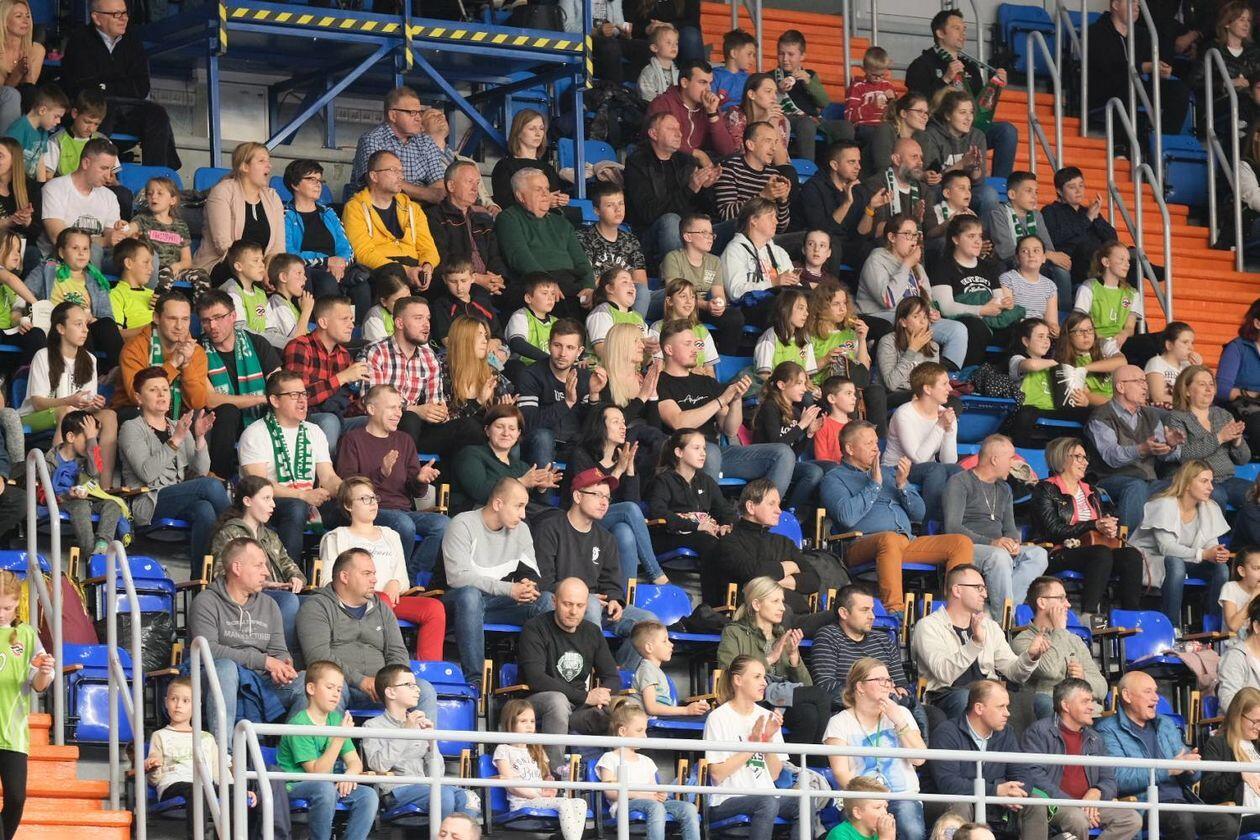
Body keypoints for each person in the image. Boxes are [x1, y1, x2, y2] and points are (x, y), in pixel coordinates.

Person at [822, 421, 972, 618]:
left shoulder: (889, 472)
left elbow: (919, 514)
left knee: (960, 543)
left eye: (876, 442)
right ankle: (895, 613)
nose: (876, 448)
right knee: (889, 539)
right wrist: (874, 485)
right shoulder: (834, 478)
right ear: (850, 449)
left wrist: (902, 485)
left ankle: (956, 612)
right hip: (859, 545)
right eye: (868, 443)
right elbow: (846, 518)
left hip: (904, 541)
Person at [656, 320, 795, 492]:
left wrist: (736, 400)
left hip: (718, 453)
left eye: (695, 344)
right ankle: (704, 508)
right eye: (687, 344)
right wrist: (721, 400)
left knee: (783, 453)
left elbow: (729, 429)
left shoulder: (706, 382)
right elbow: (679, 422)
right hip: (682, 455)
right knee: (711, 452)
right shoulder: (660, 382)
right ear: (669, 350)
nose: (695, 349)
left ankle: (764, 507)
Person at [296, 547, 437, 715]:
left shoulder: (382, 608)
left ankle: (422, 734)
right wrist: (360, 681)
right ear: (344, 577)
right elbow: (318, 657)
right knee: (327, 691)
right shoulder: (317, 606)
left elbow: (397, 652)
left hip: (382, 687)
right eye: (367, 574)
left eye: (374, 574)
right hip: (341, 685)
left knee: (425, 690)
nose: (374, 579)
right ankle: (331, 734)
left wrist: (390, 682)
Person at [1097, 670, 1236, 840]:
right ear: (1127, 696)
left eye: (1155, 691)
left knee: (1226, 824)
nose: (1156, 698)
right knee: (1182, 820)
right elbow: (1119, 778)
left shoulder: (1165, 724)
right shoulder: (1108, 730)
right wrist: (1168, 769)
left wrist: (1191, 767)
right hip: (1144, 805)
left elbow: (1192, 776)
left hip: (1182, 802)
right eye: (1148, 692)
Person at [318, 477, 445, 661]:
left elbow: (402, 578)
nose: (373, 503)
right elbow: (327, 582)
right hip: (356, 603)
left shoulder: (391, 535)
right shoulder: (336, 537)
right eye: (364, 499)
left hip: (391, 600)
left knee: (433, 608)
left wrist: (396, 583)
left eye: (374, 498)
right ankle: (389, 663)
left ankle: (429, 670)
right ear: (348, 505)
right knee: (382, 600)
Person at [437, 477, 544, 691]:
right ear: (497, 504)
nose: (523, 514)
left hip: (496, 604)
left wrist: (529, 586)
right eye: (518, 506)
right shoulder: (463, 523)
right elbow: (458, 578)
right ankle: (475, 683)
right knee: (470, 595)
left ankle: (536, 680)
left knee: (546, 602)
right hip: (457, 604)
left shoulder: (521, 529)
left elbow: (531, 571)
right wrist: (509, 588)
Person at [533, 469, 656, 650]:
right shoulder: (549, 528)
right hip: (563, 605)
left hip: (599, 608)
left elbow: (610, 582)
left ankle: (621, 667)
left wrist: (615, 599)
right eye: (597, 495)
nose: (604, 502)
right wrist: (582, 598)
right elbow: (543, 581)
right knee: (590, 604)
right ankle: (592, 665)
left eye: (607, 497)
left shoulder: (606, 538)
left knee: (649, 623)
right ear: (577, 496)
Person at [188, 536, 305, 729]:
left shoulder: (269, 605)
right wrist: (265, 662)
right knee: (226, 669)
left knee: (310, 683)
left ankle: (292, 747)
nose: (266, 572)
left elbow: (279, 650)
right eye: (259, 565)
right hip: (217, 680)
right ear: (237, 568)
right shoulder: (206, 602)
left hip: (262, 683)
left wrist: (283, 667)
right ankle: (224, 747)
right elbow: (208, 651)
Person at [335, 384, 447, 581]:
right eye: (392, 408)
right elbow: (349, 487)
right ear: (371, 409)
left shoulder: (404, 440)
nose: (399, 413)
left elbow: (417, 492)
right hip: (370, 511)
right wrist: (381, 473)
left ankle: (408, 578)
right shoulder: (353, 440)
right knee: (404, 524)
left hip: (403, 511)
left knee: (444, 524)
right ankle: (395, 578)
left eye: (400, 408)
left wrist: (420, 480)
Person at [118, 366, 228, 562]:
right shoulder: (131, 428)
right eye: (153, 390)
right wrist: (176, 439)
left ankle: (200, 575)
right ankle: (240, 537)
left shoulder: (177, 425)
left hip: (179, 498)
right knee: (210, 485)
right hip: (149, 501)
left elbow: (201, 470)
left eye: (165, 389)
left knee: (204, 510)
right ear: (139, 398)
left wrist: (200, 438)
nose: (161, 394)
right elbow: (147, 473)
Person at [911, 565, 1048, 720]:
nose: (985, 594)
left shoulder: (990, 627)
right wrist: (975, 643)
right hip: (946, 695)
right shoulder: (928, 626)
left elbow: (1013, 672)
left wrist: (1030, 657)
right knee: (966, 698)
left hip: (988, 694)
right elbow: (944, 673)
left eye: (984, 588)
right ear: (957, 590)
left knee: (1037, 702)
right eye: (979, 588)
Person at [238, 369, 342, 563]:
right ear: (275, 401)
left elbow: (328, 477)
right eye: (294, 395)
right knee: (296, 507)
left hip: (308, 501)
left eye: (304, 394)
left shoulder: (314, 431)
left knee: (352, 508)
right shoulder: (255, 433)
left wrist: (348, 491)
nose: (302, 401)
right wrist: (303, 495)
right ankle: (290, 576)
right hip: (269, 505)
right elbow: (259, 486)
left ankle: (338, 577)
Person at [58, 0, 179, 166]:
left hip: (128, 110)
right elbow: (83, 88)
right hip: (95, 112)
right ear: (96, 18)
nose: (124, 18)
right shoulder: (79, 41)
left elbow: (141, 87)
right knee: (105, 106)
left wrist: (105, 85)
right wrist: (117, 85)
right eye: (116, 14)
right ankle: (93, 168)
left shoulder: (133, 41)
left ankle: (156, 175)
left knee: (157, 114)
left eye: (125, 13)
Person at [1029, 437, 1143, 612]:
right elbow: (1052, 530)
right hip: (1058, 551)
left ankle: (1130, 615)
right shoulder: (1045, 489)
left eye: (1085, 457)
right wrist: (1093, 525)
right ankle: (1089, 613)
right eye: (1078, 457)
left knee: (1131, 555)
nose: (1085, 462)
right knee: (1101, 553)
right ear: (1061, 458)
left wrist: (1108, 527)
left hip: (1092, 549)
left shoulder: (1092, 491)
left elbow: (1097, 525)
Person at [1020, 677, 1143, 840]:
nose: (1091, 707)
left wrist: (1097, 792)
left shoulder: (1095, 738)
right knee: (1077, 819)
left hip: (1090, 806)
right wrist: (1076, 804)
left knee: (1131, 819)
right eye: (1085, 701)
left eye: (1091, 701)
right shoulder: (1039, 732)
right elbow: (1034, 776)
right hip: (1055, 804)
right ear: (1066, 706)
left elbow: (1109, 779)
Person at [518, 577, 621, 769]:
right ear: (554, 601)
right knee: (558, 701)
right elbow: (536, 678)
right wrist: (585, 697)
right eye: (567, 604)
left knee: (625, 708)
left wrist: (603, 695)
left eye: (580, 606)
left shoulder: (592, 632)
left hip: (578, 707)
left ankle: (614, 775)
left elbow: (612, 677)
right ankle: (553, 774)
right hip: (537, 701)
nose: (574, 611)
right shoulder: (535, 628)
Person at [716, 576, 832, 744]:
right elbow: (731, 672)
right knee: (820, 695)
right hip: (754, 698)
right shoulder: (734, 632)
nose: (782, 608)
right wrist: (769, 659)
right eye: (775, 601)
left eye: (782, 601)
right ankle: (820, 757)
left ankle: (795, 761)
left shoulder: (782, 634)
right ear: (757, 605)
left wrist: (794, 657)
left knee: (809, 714)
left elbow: (806, 685)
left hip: (779, 700)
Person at [943, 434, 1049, 617]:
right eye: (1011, 458)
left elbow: (1009, 528)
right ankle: (1004, 620)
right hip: (969, 547)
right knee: (999, 556)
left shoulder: (1004, 489)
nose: (1014, 463)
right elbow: (952, 527)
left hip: (997, 548)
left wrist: (1013, 543)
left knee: (1038, 554)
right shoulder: (959, 482)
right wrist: (992, 542)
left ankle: (1001, 614)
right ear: (994, 459)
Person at [904, 9, 1017, 179]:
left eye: (964, 29)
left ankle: (1000, 185)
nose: (963, 33)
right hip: (937, 129)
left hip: (968, 129)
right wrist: (945, 79)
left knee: (1006, 131)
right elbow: (915, 103)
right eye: (956, 28)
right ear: (940, 33)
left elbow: (979, 107)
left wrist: (995, 86)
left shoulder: (970, 67)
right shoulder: (921, 64)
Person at [276, 661, 380, 840]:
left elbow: (355, 763)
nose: (336, 694)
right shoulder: (299, 724)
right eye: (330, 687)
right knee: (324, 788)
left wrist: (348, 776)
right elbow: (316, 773)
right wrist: (339, 738)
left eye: (339, 689)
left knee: (368, 795)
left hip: (327, 785)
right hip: (294, 786)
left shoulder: (335, 719)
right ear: (311, 688)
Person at [823, 658, 925, 840]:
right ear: (860, 687)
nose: (887, 685)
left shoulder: (901, 714)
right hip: (862, 801)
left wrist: (899, 721)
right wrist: (871, 802)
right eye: (880, 680)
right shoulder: (839, 722)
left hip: (903, 796)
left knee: (911, 830)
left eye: (888, 680)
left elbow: (919, 759)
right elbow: (841, 773)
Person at [929, 680, 1047, 835]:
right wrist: (995, 790)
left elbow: (1023, 773)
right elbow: (949, 784)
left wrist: (1014, 793)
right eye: (1001, 707)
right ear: (979, 708)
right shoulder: (946, 733)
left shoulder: (1007, 733)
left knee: (1035, 802)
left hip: (993, 805)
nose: (1007, 713)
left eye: (1007, 706)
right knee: (961, 803)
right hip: (949, 804)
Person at [362, 664, 479, 820]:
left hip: (426, 786)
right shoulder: (372, 726)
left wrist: (432, 742)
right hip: (395, 791)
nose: (418, 689)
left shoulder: (419, 724)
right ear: (390, 692)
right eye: (409, 685)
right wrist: (406, 732)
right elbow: (378, 765)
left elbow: (437, 775)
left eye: (416, 685)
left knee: (470, 799)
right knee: (443, 796)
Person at [566, 404, 664, 585]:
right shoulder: (581, 455)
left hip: (606, 523)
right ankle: (657, 574)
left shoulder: (623, 459)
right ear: (600, 426)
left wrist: (630, 470)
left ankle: (625, 596)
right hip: (580, 519)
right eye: (616, 421)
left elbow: (633, 503)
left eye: (624, 422)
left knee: (624, 532)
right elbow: (591, 498)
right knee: (628, 510)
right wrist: (618, 471)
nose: (623, 427)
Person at [857, 214, 969, 371]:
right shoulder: (877, 259)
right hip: (881, 316)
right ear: (892, 237)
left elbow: (927, 301)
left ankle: (943, 377)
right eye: (908, 234)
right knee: (908, 321)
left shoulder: (918, 267)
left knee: (957, 330)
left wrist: (931, 312)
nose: (913, 240)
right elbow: (887, 300)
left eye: (915, 235)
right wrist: (907, 264)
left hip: (914, 318)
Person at [707, 480, 832, 618]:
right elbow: (752, 572)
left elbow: (813, 580)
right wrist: (790, 567)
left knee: (836, 617)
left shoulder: (784, 542)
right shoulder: (729, 541)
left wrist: (771, 582)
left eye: (778, 504)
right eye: (771, 504)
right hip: (756, 618)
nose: (779, 511)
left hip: (799, 616)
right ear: (751, 507)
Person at [21, 301, 115, 482]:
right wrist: (68, 401)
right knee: (65, 412)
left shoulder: (90, 359)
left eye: (86, 324)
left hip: (72, 414)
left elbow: (84, 406)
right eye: (78, 324)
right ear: (61, 328)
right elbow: (37, 403)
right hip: (33, 418)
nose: (85, 330)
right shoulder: (43, 355)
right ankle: (53, 482)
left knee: (109, 416)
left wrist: (94, 404)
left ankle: (105, 485)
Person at [703, 655, 795, 840]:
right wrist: (753, 745)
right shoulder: (718, 718)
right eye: (757, 677)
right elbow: (717, 775)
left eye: (764, 677)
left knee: (805, 801)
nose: (764, 682)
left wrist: (767, 740)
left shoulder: (767, 716)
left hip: (766, 796)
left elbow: (774, 775)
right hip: (726, 800)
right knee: (767, 802)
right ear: (738, 680)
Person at [1128, 459, 1231, 623]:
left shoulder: (1209, 507)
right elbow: (1166, 548)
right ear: (1188, 484)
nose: (1211, 487)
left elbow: (1210, 543)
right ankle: (1172, 625)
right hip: (1151, 560)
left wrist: (1216, 553)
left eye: (1211, 482)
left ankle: (1215, 624)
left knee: (1221, 568)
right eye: (1204, 481)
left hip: (1188, 559)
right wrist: (1204, 554)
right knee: (1176, 564)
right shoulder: (1164, 505)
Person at [208, 476, 304, 648]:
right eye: (266, 498)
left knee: (312, 603)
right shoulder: (229, 534)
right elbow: (221, 574)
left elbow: (288, 563)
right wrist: (265, 584)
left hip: (277, 593)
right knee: (289, 601)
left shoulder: (270, 536)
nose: (273, 505)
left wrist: (296, 577)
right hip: (249, 596)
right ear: (247, 501)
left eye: (272, 499)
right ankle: (281, 655)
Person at [1087, 365, 1185, 533]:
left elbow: (1166, 456)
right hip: (1110, 479)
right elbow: (1111, 456)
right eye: (1139, 381)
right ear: (1121, 387)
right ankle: (1128, 542)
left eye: (1145, 381)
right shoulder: (1101, 416)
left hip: (1148, 481)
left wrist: (1170, 445)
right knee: (1135, 486)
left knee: (1187, 485)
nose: (1145, 386)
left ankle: (1181, 545)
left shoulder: (1151, 415)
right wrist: (1141, 449)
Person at [196, 288, 282, 478]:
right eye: (206, 320)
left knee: (286, 404)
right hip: (218, 425)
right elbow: (211, 400)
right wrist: (260, 398)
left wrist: (272, 398)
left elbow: (279, 386)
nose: (212, 326)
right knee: (228, 411)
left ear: (233, 316)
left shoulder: (257, 343)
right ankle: (220, 479)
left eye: (218, 317)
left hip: (259, 418)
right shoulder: (197, 350)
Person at [494, 168, 595, 320]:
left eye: (547, 189)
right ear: (520, 196)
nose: (545, 194)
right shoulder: (509, 218)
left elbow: (581, 261)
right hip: (534, 283)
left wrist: (589, 287)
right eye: (538, 189)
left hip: (570, 283)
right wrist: (547, 282)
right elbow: (519, 257)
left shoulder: (561, 222)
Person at [1088, 0, 1190, 145]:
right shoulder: (1096, 32)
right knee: (1128, 89)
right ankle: (1122, 145)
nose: (1137, 7)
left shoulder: (1142, 34)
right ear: (1115, 5)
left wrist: (1160, 70)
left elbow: (1150, 64)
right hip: (1106, 90)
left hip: (1136, 88)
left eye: (1138, 3)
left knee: (1178, 91)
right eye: (1131, 3)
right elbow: (1108, 66)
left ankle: (1163, 142)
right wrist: (1144, 67)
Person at [596, 700, 702, 840]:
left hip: (653, 802)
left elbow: (654, 789)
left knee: (689, 808)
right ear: (622, 731)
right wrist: (644, 796)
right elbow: (611, 793)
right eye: (639, 731)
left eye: (645, 730)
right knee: (655, 807)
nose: (644, 736)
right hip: (625, 805)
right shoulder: (609, 758)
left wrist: (660, 794)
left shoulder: (647, 761)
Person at [342, 149, 440, 297]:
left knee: (449, 280)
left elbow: (428, 247)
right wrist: (404, 271)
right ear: (374, 176)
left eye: (401, 171)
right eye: (393, 170)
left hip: (415, 266)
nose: (401, 176)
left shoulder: (412, 208)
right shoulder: (355, 208)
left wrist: (427, 266)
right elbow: (363, 253)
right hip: (382, 267)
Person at [0, 569, 53, 840]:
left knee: (16, 798)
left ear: (16, 605)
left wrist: (44, 670)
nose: (1, 614)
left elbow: (39, 684)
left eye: (7, 608)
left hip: (12, 733)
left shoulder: (27, 634)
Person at [625, 113, 718, 267]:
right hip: (651, 236)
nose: (679, 134)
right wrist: (689, 189)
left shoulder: (685, 161)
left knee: (734, 225)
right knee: (671, 221)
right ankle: (679, 277)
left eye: (679, 129)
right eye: (671, 128)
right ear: (653, 134)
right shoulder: (638, 162)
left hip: (690, 232)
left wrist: (706, 188)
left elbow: (703, 210)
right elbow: (648, 213)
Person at [145, 677, 235, 835]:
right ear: (166, 702)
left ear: (196, 705)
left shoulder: (206, 738)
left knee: (234, 792)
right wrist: (152, 767)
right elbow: (155, 780)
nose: (178, 705)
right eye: (174, 699)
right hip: (173, 785)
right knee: (197, 789)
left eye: (186, 701)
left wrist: (236, 788)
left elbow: (219, 772)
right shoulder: (160, 735)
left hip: (204, 785)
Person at [1012, 577, 1109, 718]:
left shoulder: (1074, 640)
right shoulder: (1022, 641)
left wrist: (1083, 677)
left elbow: (1102, 689)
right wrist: (1059, 630)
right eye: (1061, 598)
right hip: (1050, 713)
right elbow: (1050, 671)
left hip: (1085, 714)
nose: (1068, 604)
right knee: (1046, 704)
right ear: (1042, 602)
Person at [283, 296, 371, 452]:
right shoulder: (300, 346)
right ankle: (325, 469)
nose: (351, 325)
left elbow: (344, 405)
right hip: (303, 419)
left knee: (373, 422)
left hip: (337, 417)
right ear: (323, 322)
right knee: (330, 421)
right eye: (344, 319)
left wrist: (362, 403)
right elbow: (296, 399)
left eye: (351, 319)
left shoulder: (344, 354)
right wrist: (342, 378)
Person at [644, 426, 738, 571]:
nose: (703, 453)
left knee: (735, 541)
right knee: (709, 542)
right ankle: (716, 586)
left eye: (704, 448)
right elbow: (658, 512)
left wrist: (727, 524)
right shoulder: (663, 481)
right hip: (671, 536)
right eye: (696, 448)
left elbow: (724, 509)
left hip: (702, 534)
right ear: (679, 452)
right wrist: (696, 526)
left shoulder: (706, 481)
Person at [809, 585, 916, 711]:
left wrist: (899, 693)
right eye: (864, 610)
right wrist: (873, 696)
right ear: (844, 613)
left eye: (872, 610)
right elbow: (826, 687)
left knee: (931, 712)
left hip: (888, 710)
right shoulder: (828, 636)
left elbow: (901, 684)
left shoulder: (884, 640)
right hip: (848, 712)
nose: (872, 616)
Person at [494, 699, 588, 840]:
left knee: (580, 802)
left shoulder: (537, 749)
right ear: (510, 723)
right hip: (522, 802)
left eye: (532, 721)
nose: (529, 726)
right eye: (523, 721)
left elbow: (547, 777)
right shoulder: (503, 749)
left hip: (542, 799)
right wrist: (536, 794)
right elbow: (510, 785)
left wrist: (551, 788)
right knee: (564, 803)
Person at [516, 318, 600, 467]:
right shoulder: (531, 375)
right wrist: (566, 403)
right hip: (539, 444)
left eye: (570, 348)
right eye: (557, 345)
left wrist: (594, 395)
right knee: (543, 436)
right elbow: (528, 423)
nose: (562, 353)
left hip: (573, 444)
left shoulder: (585, 378)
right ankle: (543, 482)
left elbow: (592, 425)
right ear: (549, 345)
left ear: (579, 351)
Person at [448, 403, 559, 516]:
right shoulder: (470, 454)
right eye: (499, 427)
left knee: (553, 516)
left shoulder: (521, 467)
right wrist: (520, 482)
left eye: (512, 428)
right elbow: (479, 492)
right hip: (474, 516)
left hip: (513, 519)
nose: (506, 433)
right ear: (487, 430)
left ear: (518, 434)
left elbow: (533, 504)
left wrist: (541, 488)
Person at [882, 362, 960, 523]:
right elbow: (918, 458)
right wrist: (940, 426)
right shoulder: (904, 414)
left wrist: (948, 429)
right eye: (944, 384)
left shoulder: (946, 414)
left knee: (956, 471)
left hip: (928, 470)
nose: (950, 388)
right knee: (935, 470)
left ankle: (953, 523)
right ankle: (926, 525)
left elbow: (949, 461)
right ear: (927, 389)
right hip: (896, 469)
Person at [1166, 364, 1252, 509]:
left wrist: (1237, 441)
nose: (1209, 389)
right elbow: (1183, 455)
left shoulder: (1223, 415)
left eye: (1211, 384)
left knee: (1255, 495)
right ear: (1187, 391)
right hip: (1194, 482)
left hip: (1227, 480)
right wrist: (1219, 438)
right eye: (1202, 384)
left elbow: (1243, 459)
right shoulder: (1176, 417)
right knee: (1217, 496)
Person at [193, 143, 284, 276]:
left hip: (260, 268)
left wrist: (268, 270)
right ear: (244, 166)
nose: (269, 165)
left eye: (268, 161)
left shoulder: (273, 197)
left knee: (290, 275)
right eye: (261, 161)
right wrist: (256, 268)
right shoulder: (222, 191)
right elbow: (223, 245)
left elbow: (278, 247)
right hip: (224, 263)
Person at [113, 291, 209, 416]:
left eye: (185, 319)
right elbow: (137, 397)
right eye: (172, 319)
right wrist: (173, 363)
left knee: (202, 416)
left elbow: (197, 403)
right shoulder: (134, 347)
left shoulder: (196, 351)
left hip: (178, 415)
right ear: (156, 318)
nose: (179, 326)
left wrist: (186, 365)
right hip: (136, 412)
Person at [349, 87, 447, 205]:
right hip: (381, 208)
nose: (418, 118)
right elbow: (378, 182)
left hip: (421, 210)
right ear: (393, 115)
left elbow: (439, 185)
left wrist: (429, 196)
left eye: (419, 112)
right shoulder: (372, 140)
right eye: (412, 113)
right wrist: (426, 194)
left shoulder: (426, 141)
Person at [425, 159, 506, 301]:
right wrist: (475, 279)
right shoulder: (434, 217)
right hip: (457, 285)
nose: (475, 189)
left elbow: (495, 256)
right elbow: (443, 259)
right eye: (469, 182)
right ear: (451, 186)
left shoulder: (482, 218)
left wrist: (498, 279)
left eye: (477, 183)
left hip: (490, 284)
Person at [47, 410, 127, 555]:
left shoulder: (85, 459)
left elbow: (96, 470)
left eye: (95, 439)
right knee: (81, 505)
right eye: (87, 439)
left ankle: (102, 544)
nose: (91, 443)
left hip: (87, 500)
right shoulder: (49, 460)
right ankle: (91, 553)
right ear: (70, 437)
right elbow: (42, 493)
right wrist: (67, 495)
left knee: (112, 504)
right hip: (62, 502)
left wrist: (91, 439)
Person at [37, 137, 128, 261]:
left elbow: (110, 233)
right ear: (86, 163)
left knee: (136, 255)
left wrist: (119, 234)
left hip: (101, 256)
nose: (108, 176)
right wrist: (103, 241)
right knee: (94, 250)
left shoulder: (109, 196)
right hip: (60, 259)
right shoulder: (55, 188)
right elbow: (59, 239)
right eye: (103, 168)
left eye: (110, 169)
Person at [772, 30, 853, 161]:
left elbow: (824, 102)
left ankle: (842, 165)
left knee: (845, 127)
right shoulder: (770, 77)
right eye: (781, 54)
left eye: (791, 54)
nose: (785, 59)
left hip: (815, 120)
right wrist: (778, 90)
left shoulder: (810, 75)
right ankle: (808, 167)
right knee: (806, 123)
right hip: (789, 118)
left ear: (802, 56)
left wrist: (809, 83)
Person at [919, 90, 999, 220]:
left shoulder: (977, 136)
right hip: (942, 190)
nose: (969, 118)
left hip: (967, 190)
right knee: (931, 192)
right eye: (962, 112)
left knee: (989, 195)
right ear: (948, 115)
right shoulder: (932, 135)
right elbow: (934, 179)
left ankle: (979, 232)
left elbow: (978, 181)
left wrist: (975, 168)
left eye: (971, 112)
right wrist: (961, 164)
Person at [579, 184, 656, 320]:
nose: (618, 209)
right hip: (604, 296)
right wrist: (622, 285)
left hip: (634, 296)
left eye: (621, 203)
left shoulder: (630, 240)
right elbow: (590, 281)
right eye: (610, 205)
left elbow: (640, 281)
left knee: (677, 295)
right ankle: (632, 329)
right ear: (597, 210)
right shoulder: (584, 237)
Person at [719, 198, 799, 328]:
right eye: (770, 217)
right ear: (753, 220)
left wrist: (796, 283)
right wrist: (773, 283)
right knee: (781, 306)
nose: (776, 221)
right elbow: (736, 292)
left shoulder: (779, 252)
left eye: (776, 217)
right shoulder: (735, 250)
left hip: (782, 306)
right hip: (751, 309)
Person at [282, 159, 353, 302]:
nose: (318, 184)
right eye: (311, 179)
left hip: (337, 267)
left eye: (320, 180)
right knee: (326, 281)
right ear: (295, 184)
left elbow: (347, 248)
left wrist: (340, 262)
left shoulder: (329, 213)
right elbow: (289, 253)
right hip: (309, 269)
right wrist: (326, 261)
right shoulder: (285, 215)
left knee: (361, 284)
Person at [644, 62, 739, 165]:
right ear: (684, 83)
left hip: (698, 165)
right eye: (702, 82)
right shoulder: (663, 103)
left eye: (710, 83)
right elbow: (661, 141)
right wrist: (697, 154)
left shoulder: (708, 106)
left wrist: (712, 114)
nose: (708, 89)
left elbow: (727, 151)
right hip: (668, 163)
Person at [1041, 166, 1120, 285]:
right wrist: (1087, 219)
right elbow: (1056, 238)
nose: (1078, 191)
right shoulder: (1050, 211)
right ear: (1059, 191)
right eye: (1072, 187)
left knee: (1130, 258)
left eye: (1081, 185)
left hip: (1098, 262)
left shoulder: (1088, 211)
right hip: (1074, 264)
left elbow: (1112, 238)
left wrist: (1096, 218)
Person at [1201, 685, 1260, 835]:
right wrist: (1238, 774)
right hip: (1241, 817)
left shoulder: (1257, 745)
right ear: (1238, 716)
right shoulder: (1218, 744)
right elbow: (1208, 790)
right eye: (1255, 721)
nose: (1259, 727)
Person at [488, 109, 569, 213]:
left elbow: (554, 198)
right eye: (532, 129)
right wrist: (544, 202)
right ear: (518, 132)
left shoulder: (548, 168)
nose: (538, 134)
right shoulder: (504, 166)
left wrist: (560, 200)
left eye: (541, 129)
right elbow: (505, 203)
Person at [630, 621, 711, 718]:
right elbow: (651, 708)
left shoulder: (653, 669)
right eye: (664, 641)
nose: (671, 644)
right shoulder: (647, 670)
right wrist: (686, 710)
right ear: (649, 647)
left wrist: (697, 708)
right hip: (650, 723)